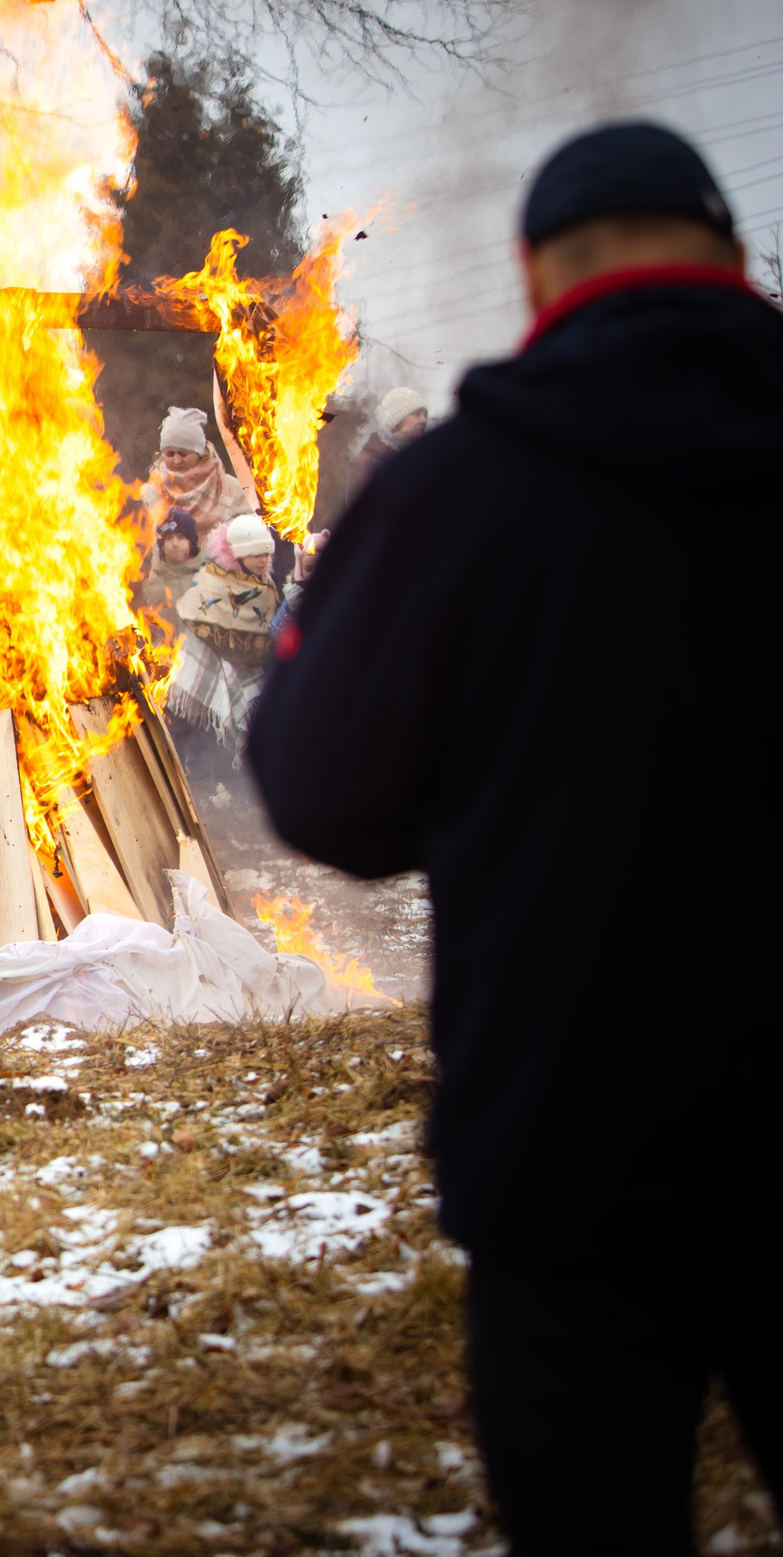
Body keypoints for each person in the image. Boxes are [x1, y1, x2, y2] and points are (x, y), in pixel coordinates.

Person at [247, 121, 783, 1556]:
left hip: (575, 1149)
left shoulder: (453, 497)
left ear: (536, 274)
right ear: (733, 259)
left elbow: (318, 786)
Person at [165, 513, 278, 765]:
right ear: (237, 554)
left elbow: (267, 625)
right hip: (211, 663)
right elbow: (200, 617)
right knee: (207, 732)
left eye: (266, 554)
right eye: (256, 554)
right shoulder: (214, 580)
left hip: (251, 663)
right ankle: (212, 772)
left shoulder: (264, 582)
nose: (263, 560)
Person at [140, 407, 255, 612]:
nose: (176, 460)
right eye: (170, 453)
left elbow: (251, 554)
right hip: (164, 605)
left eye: (183, 453)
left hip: (215, 606)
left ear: (199, 452)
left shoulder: (232, 492)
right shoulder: (150, 493)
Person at [348, 385, 434, 498]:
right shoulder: (368, 461)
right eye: (416, 414)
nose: (424, 420)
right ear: (397, 421)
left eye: (425, 415)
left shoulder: (428, 457)